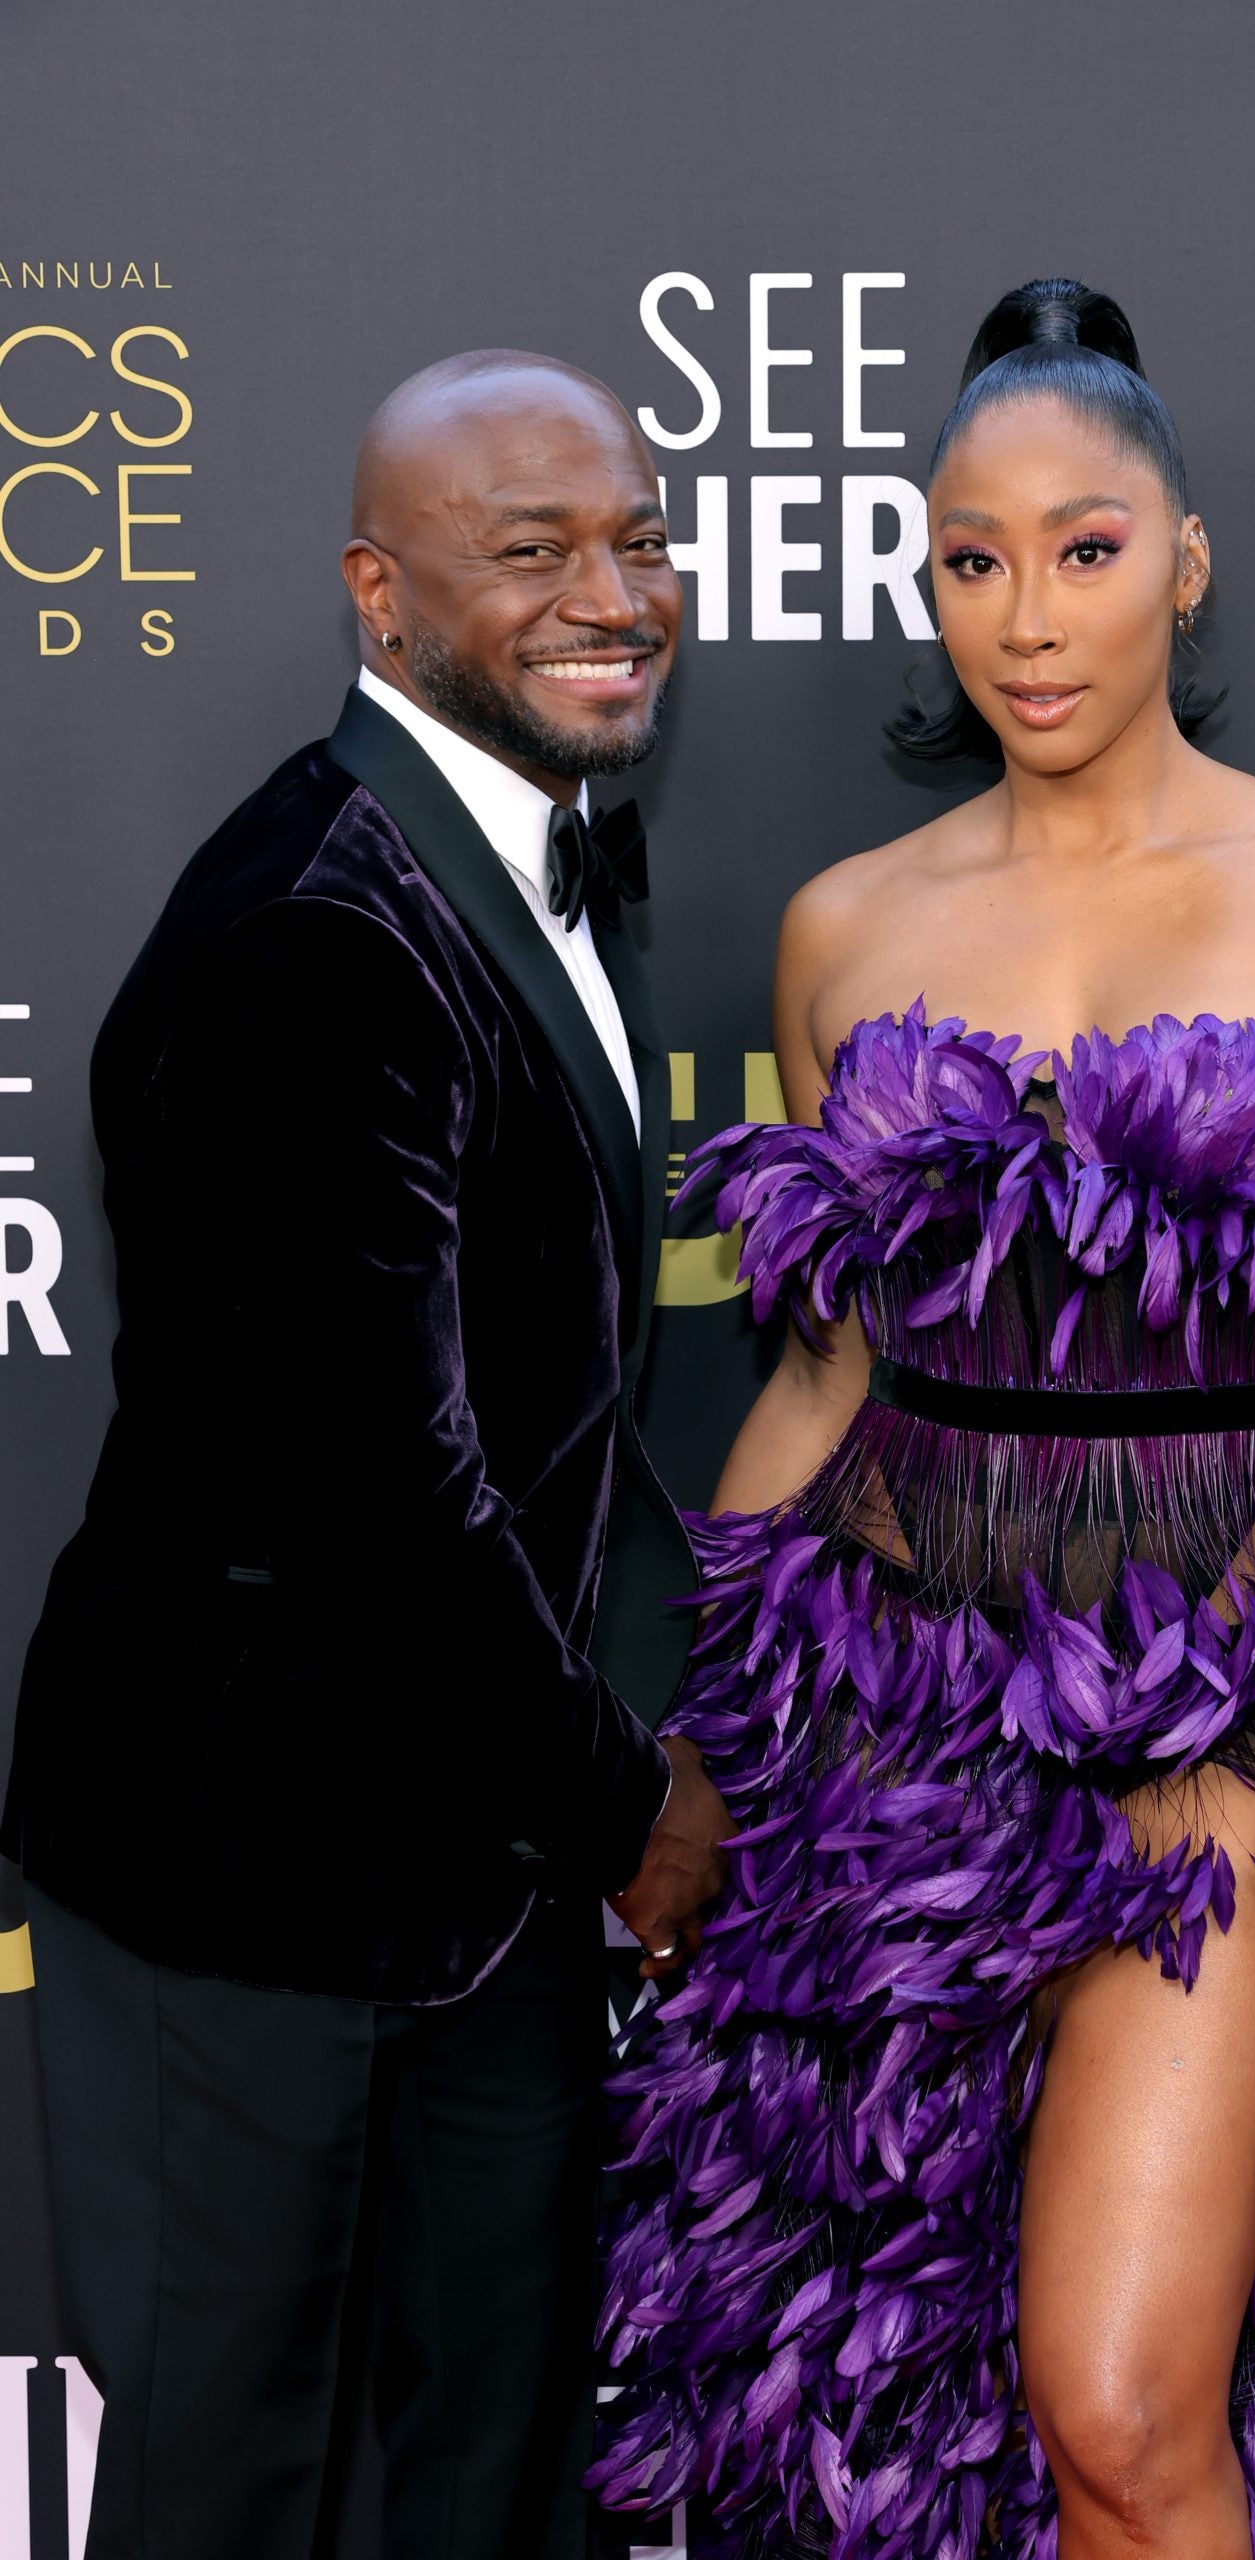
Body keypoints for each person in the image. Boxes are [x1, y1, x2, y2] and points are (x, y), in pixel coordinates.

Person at [591, 282, 1255, 2560]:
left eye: (1085, 550)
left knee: (1119, 2405)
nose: (1026, 617)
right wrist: (701, 1755)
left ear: (1182, 563)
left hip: (1216, 1721)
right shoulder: (846, 926)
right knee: (906, 2395)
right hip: (892, 1727)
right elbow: (821, 1373)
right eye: (972, 558)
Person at [1, 350, 730, 2560]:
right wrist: (629, 1804)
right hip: (256, 1869)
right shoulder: (318, 933)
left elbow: (557, 1401)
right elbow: (375, 1494)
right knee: (226, 2490)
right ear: (379, 596)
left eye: (638, 538)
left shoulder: (518, 856)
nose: (610, 594)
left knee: (493, 2480)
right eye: (530, 551)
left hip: (484, 1868)